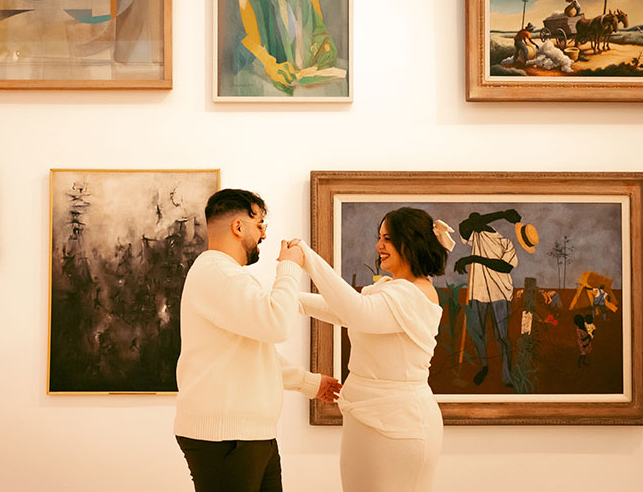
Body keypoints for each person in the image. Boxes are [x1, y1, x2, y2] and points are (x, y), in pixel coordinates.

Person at [174, 188, 341, 492]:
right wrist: (289, 266)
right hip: (227, 437)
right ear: (238, 227)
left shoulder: (223, 275)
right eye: (260, 225)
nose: (264, 235)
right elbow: (277, 324)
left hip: (245, 435)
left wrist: (309, 382)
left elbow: (251, 352)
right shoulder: (220, 275)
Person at [290, 207, 455, 492]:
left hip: (397, 424)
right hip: (374, 420)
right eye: (379, 237)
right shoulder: (394, 288)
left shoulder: (414, 293)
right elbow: (343, 310)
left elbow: (356, 311)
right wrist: (287, 298)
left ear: (411, 242)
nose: (379, 246)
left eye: (388, 239)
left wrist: (308, 258)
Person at [231, 0, 345, 96]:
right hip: (269, 78)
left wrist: (323, 53)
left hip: (305, 77)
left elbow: (320, 34)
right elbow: (248, 40)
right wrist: (269, 65)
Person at [453, 210, 522, 388]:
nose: (471, 225)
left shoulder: (505, 242)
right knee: (478, 334)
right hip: (477, 293)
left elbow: (505, 267)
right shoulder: (475, 237)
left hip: (500, 294)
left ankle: (507, 375)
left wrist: (473, 258)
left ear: (482, 222)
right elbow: (464, 226)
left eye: (475, 221)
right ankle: (484, 367)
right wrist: (502, 214)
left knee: (502, 337)